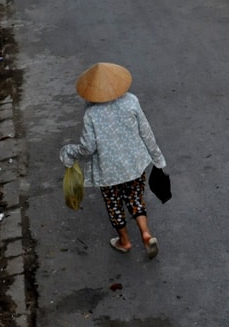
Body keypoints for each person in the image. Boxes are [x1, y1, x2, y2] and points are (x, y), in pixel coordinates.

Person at [60, 62, 166, 259]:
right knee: (135, 197)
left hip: (108, 171)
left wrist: (69, 152)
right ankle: (145, 232)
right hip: (134, 165)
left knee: (114, 204)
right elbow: (146, 132)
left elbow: (87, 148)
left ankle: (124, 241)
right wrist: (158, 159)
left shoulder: (91, 114)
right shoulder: (131, 101)